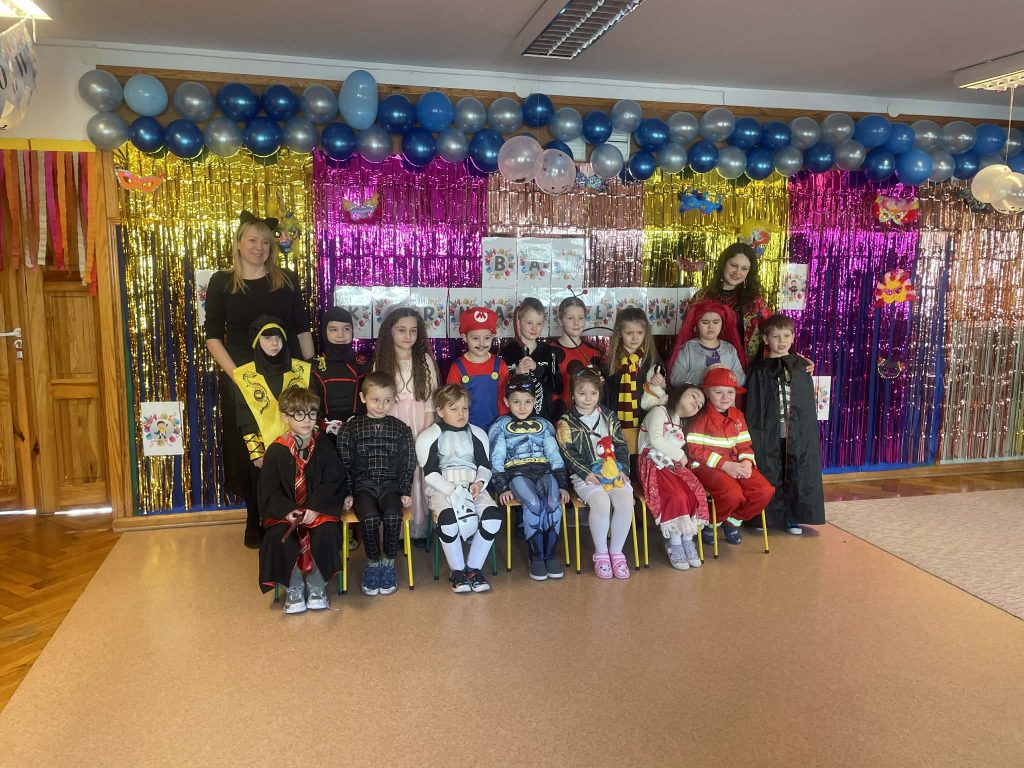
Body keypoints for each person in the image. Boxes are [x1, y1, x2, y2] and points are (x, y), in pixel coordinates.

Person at [204, 211, 313, 548]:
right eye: (252, 240)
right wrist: (239, 377)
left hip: (285, 376)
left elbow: (301, 328)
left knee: (290, 441)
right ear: (238, 243)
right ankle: (255, 517)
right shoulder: (222, 282)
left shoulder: (286, 279)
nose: (259, 247)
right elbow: (213, 336)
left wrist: (310, 373)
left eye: (266, 241)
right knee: (249, 447)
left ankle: (291, 515)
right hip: (243, 378)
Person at [257, 386, 344, 614]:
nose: (307, 420)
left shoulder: (324, 446)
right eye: (299, 414)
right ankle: (294, 587)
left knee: (326, 532)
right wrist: (287, 511)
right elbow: (269, 490)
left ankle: (316, 586)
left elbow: (333, 481)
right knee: (278, 537)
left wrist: (315, 507)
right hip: (287, 513)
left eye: (311, 413)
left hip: (317, 510)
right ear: (285, 416)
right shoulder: (276, 451)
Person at [743, 314, 826, 534]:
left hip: (795, 432)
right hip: (768, 431)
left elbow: (805, 405)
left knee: (795, 471)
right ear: (765, 338)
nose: (782, 341)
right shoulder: (757, 369)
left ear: (793, 337)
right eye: (776, 336)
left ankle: (792, 517)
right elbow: (753, 405)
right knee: (768, 470)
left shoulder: (800, 367)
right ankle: (764, 517)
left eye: (786, 336)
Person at [416, 385, 503, 594]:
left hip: (473, 488)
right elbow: (430, 473)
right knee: (448, 521)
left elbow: (485, 466)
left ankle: (473, 569)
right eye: (454, 409)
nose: (461, 414)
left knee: (492, 517)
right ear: (440, 411)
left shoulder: (477, 434)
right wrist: (452, 490)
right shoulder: (429, 436)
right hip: (442, 490)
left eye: (464, 408)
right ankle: (457, 571)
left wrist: (479, 483)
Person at [233, 317, 312, 545]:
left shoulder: (301, 370)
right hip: (265, 450)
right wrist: (256, 452)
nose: (274, 343)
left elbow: (312, 409)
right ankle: (269, 532)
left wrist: (308, 445)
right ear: (257, 341)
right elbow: (245, 419)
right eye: (267, 338)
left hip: (299, 446)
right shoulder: (245, 376)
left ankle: (301, 529)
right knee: (267, 491)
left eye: (278, 337)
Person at [337, 372, 417, 597]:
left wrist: (405, 490)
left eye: (387, 400)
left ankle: (388, 564)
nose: (381, 406)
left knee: (393, 516)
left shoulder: (401, 429)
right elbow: (344, 463)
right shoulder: (350, 428)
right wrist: (348, 492)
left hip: (391, 487)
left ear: (394, 400)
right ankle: (373, 564)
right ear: (363, 398)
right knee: (370, 518)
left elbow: (408, 461)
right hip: (363, 488)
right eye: (375, 400)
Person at [489, 375, 570, 581]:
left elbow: (554, 455)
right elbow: (496, 458)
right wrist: (502, 487)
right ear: (507, 402)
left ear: (535, 402)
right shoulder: (500, 426)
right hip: (517, 473)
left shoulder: (544, 425)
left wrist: (562, 484)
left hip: (544, 471)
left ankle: (551, 555)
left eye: (527, 401)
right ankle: (536, 557)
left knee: (552, 503)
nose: (522, 407)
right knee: (533, 503)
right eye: (516, 401)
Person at [556, 364, 634, 580]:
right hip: (586, 475)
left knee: (625, 501)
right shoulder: (566, 421)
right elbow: (567, 452)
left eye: (593, 393)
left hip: (613, 471)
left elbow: (621, 444)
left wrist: (623, 469)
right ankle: (601, 554)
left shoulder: (609, 416)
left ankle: (616, 553)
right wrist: (586, 473)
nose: (588, 398)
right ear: (573, 394)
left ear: (600, 393)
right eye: (582, 393)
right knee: (601, 502)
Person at [686, 368, 774, 546]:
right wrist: (725, 465)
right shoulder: (700, 417)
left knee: (764, 491)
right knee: (733, 495)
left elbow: (744, 445)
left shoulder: (738, 416)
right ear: (707, 392)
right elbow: (694, 451)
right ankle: (712, 522)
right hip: (706, 466)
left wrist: (747, 462)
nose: (725, 397)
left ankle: (732, 521)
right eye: (718, 392)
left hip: (736, 464)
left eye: (730, 392)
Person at [374, 304, 438, 545]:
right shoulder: (382, 361)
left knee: (418, 474)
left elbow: (431, 402)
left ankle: (419, 529)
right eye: (401, 330)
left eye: (413, 330)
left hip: (420, 423)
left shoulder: (424, 360)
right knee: (395, 473)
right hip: (392, 424)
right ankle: (397, 531)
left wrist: (424, 435)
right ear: (389, 331)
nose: (408, 336)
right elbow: (376, 398)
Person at [638, 383, 709, 570]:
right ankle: (675, 543)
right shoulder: (659, 412)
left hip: (671, 465)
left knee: (694, 492)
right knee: (676, 494)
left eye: (700, 405)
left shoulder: (679, 422)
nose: (696, 403)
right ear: (680, 393)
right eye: (694, 396)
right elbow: (655, 439)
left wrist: (678, 458)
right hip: (652, 463)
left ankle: (687, 539)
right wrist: (679, 455)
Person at [687, 242, 771, 363]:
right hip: (703, 365)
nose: (737, 272)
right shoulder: (701, 297)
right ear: (724, 264)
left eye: (744, 268)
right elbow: (687, 334)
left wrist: (791, 359)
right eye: (734, 265)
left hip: (743, 368)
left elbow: (772, 333)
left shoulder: (756, 302)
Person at [313, 306, 372, 440]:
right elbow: (310, 407)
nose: (340, 335)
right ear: (324, 332)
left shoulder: (364, 364)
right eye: (333, 329)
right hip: (324, 436)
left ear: (352, 331)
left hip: (360, 435)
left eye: (346, 329)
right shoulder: (314, 366)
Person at [445, 306, 509, 430]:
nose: (481, 343)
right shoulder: (457, 367)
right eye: (475, 338)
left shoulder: (500, 365)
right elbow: (451, 401)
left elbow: (504, 396)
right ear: (465, 337)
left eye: (487, 338)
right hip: (467, 427)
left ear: (493, 336)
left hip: (497, 426)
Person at [499, 297, 561, 422]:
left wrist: (537, 369)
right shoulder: (506, 353)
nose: (534, 328)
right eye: (529, 323)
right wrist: (515, 372)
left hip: (542, 420)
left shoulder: (548, 352)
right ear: (518, 323)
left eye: (539, 324)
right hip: (512, 421)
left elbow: (558, 387)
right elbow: (497, 387)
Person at [603, 306, 665, 429]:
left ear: (646, 333)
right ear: (620, 333)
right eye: (629, 333)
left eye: (640, 333)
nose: (635, 337)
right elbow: (606, 395)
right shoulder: (611, 360)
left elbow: (662, 389)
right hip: (615, 420)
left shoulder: (652, 358)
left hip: (645, 420)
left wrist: (661, 383)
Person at [668, 300, 746, 387]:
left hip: (724, 396)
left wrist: (726, 375)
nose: (711, 326)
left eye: (716, 322)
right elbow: (675, 379)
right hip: (697, 396)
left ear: (722, 324)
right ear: (696, 325)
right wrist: (702, 375)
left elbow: (742, 379)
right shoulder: (687, 348)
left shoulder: (729, 349)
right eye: (705, 322)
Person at [551, 296, 603, 418]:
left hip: (588, 421)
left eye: (580, 318)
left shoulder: (595, 353)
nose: (576, 323)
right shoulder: (548, 352)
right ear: (560, 320)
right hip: (555, 419)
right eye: (570, 318)